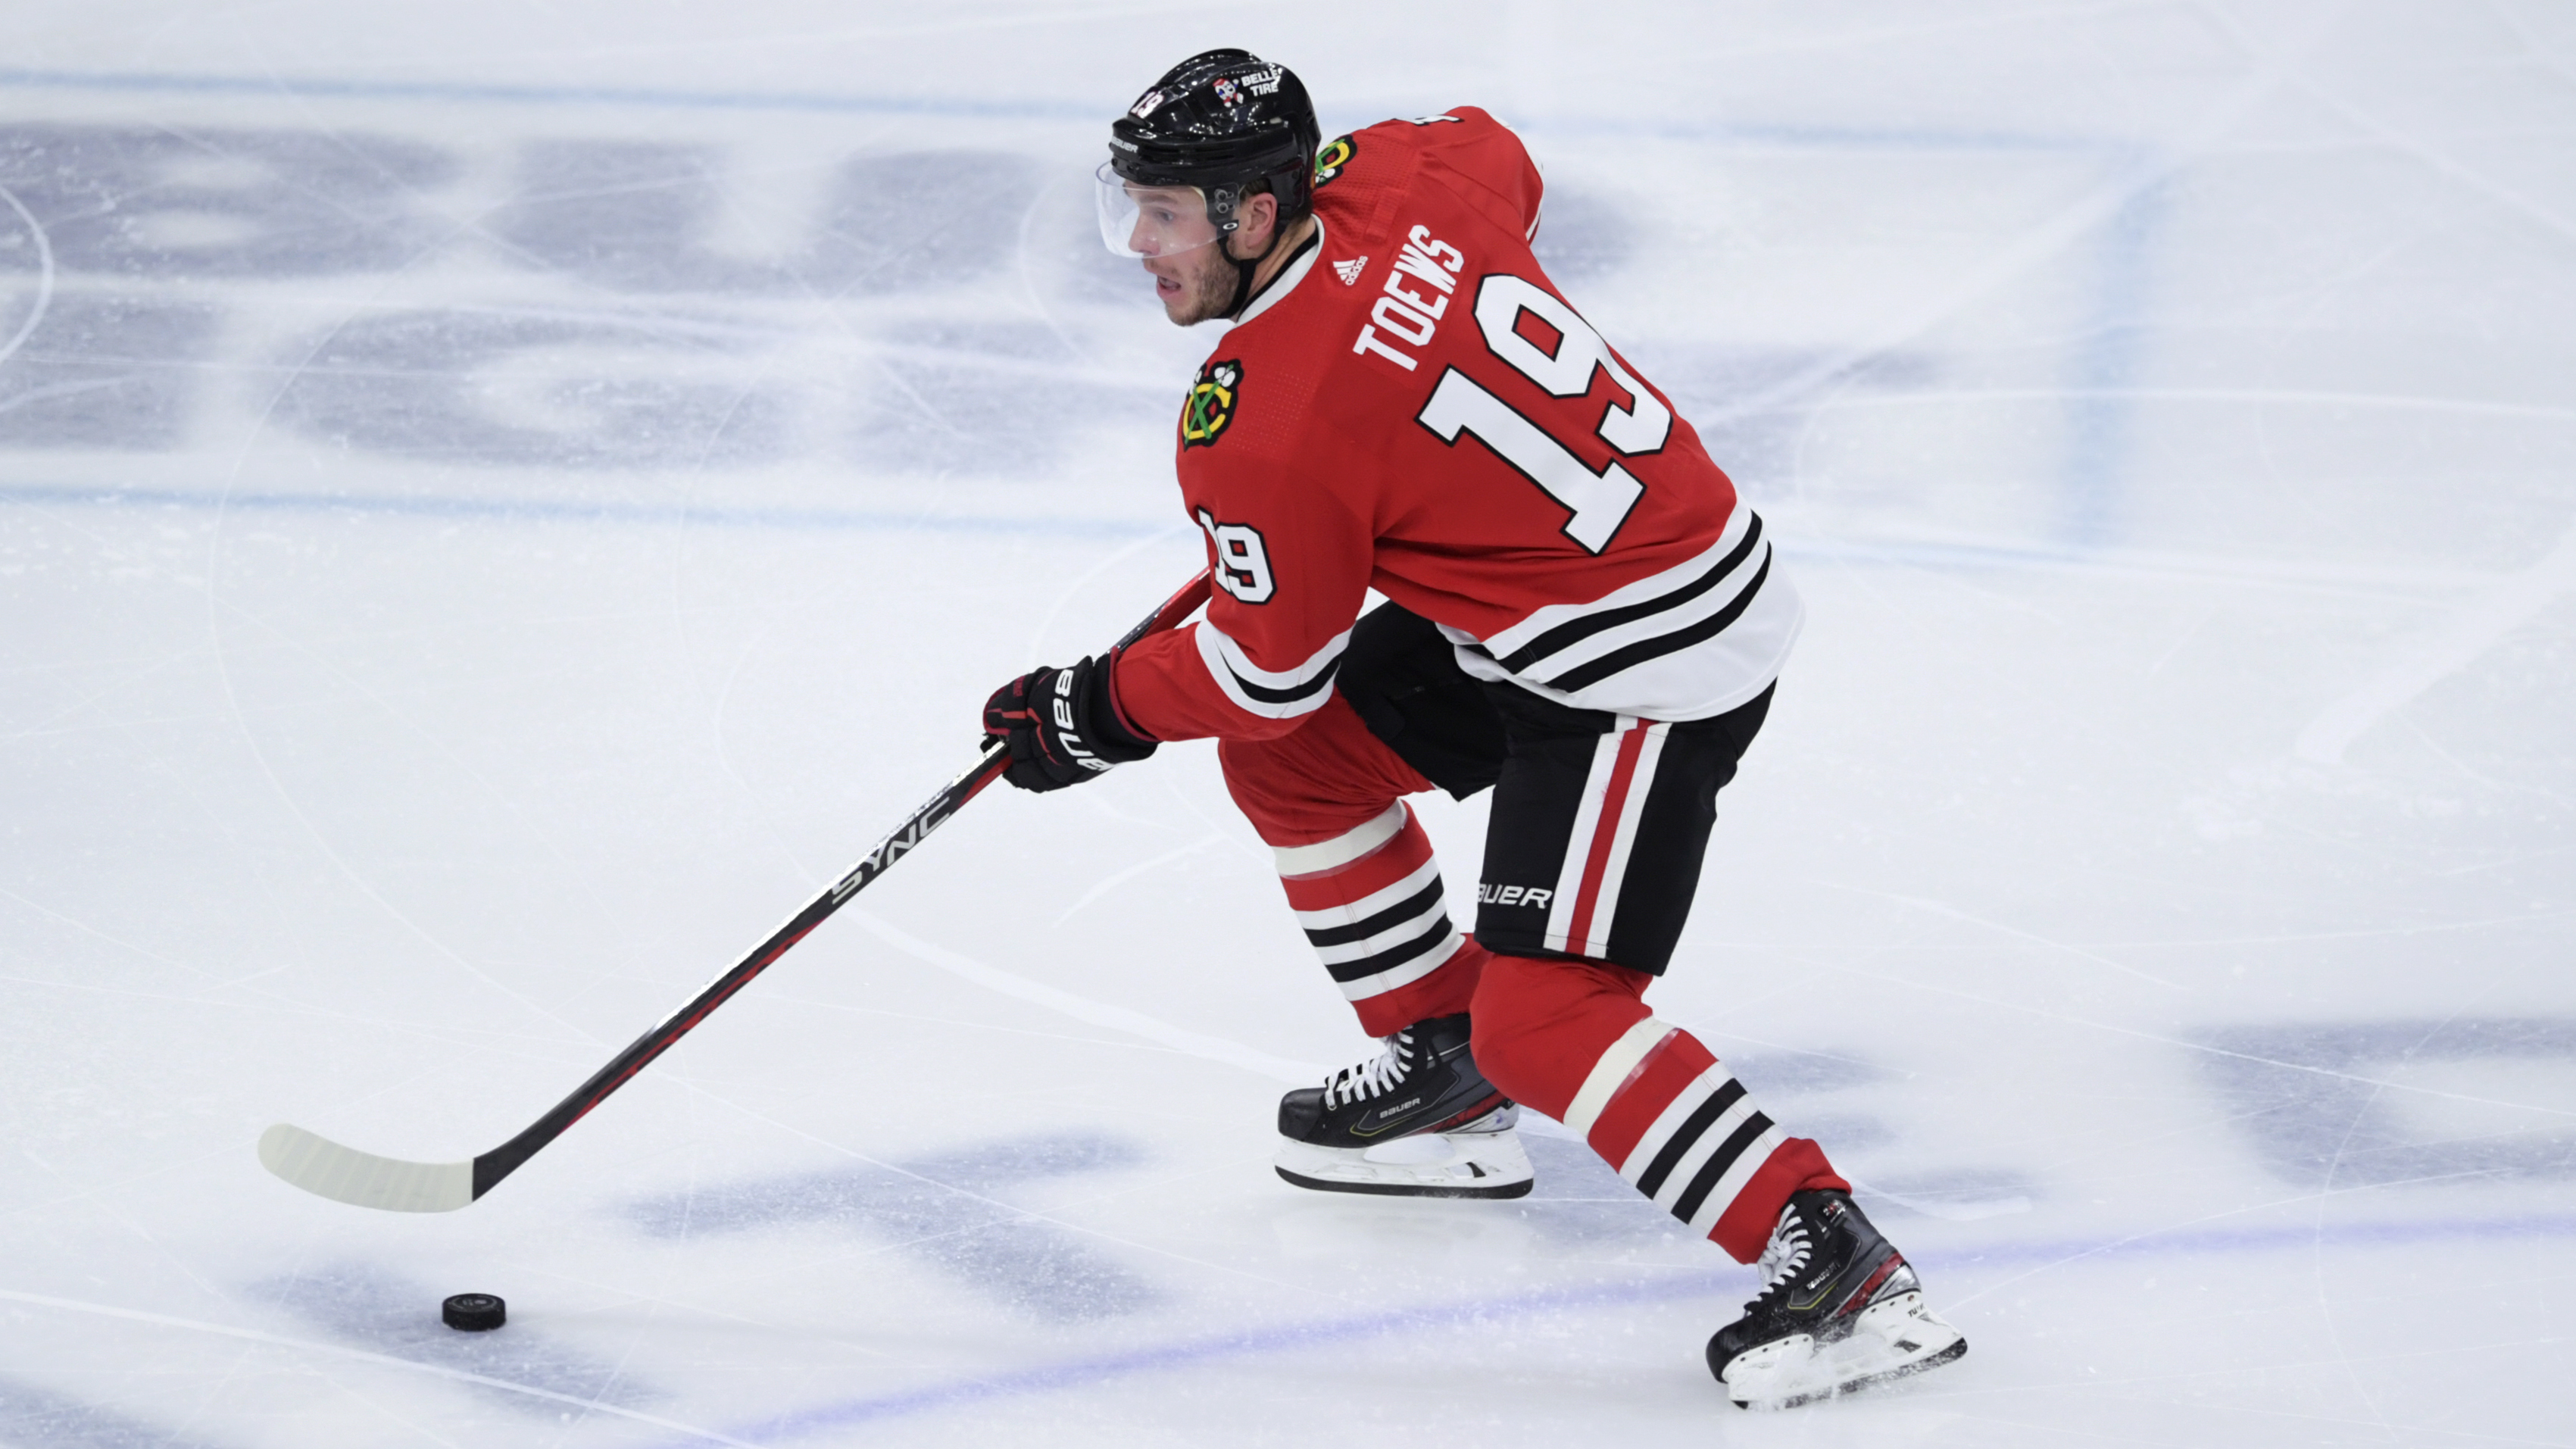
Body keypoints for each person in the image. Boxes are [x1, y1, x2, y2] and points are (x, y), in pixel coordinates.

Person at [979, 48, 1966, 1409]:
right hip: (1548, 596)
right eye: (1127, 207)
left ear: (1255, 214)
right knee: (1299, 764)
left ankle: (1836, 1260)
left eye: (1164, 212)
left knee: (1549, 1017)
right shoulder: (1401, 174)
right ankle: (1441, 1067)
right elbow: (1497, 150)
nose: (1136, 244)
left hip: (1645, 656)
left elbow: (1266, 663)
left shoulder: (1261, 427)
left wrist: (1099, 709)